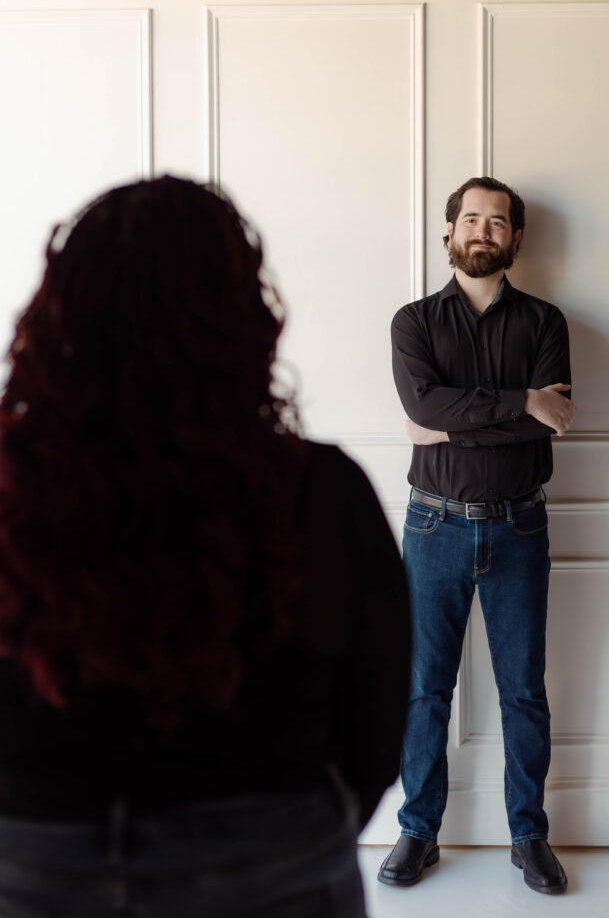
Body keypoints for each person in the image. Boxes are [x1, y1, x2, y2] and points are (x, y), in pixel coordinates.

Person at [0, 175, 410, 917]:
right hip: (273, 863)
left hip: (31, 863)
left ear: (60, 311)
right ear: (244, 317)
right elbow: (375, 726)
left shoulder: (10, 486)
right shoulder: (322, 487)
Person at [378, 176, 575, 896]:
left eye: (497, 222)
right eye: (470, 219)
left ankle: (528, 836)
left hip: (519, 524)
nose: (482, 232)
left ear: (516, 238)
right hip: (432, 523)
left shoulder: (546, 323)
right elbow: (418, 404)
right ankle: (417, 832)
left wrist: (454, 421)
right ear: (448, 232)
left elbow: (550, 418)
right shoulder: (413, 323)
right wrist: (519, 400)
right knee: (424, 687)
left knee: (523, 689)